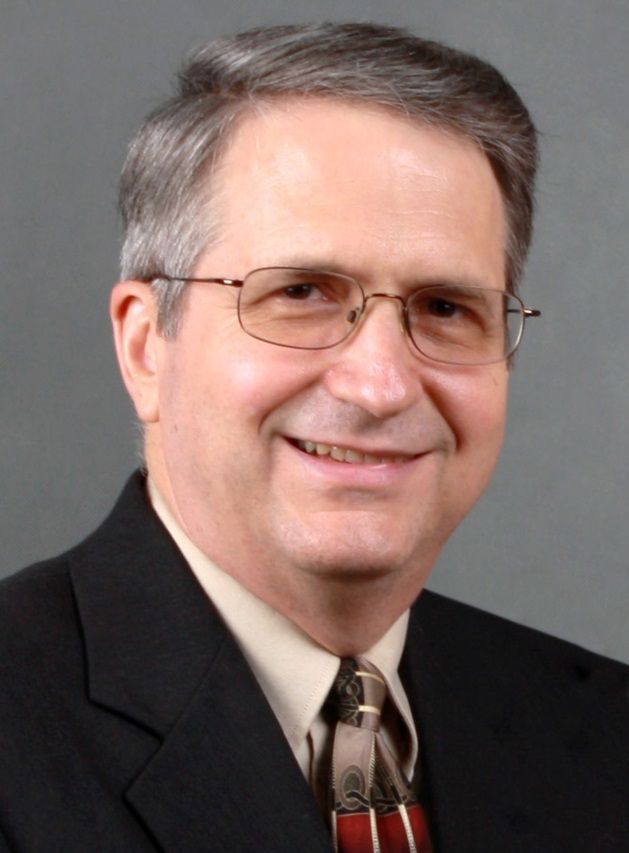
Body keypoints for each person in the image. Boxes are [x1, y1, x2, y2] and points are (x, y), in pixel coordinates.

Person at [0, 22, 626, 853]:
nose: (380, 383)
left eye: (444, 308)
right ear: (146, 346)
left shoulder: (604, 732)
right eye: (300, 292)